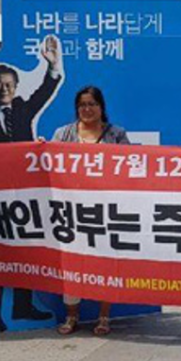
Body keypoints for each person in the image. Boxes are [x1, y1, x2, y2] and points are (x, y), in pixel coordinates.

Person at [0, 34, 63, 332]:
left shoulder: (22, 108)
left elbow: (46, 90)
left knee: (25, 252)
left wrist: (53, 65)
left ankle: (23, 306)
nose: (4, 89)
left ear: (15, 87)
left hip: (23, 195)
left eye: (9, 84)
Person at [51, 86, 130, 337]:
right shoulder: (63, 134)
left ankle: (104, 316)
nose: (87, 109)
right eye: (82, 104)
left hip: (105, 210)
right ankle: (71, 316)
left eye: (92, 104)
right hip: (71, 210)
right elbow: (47, 164)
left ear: (101, 107)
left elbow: (132, 165)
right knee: (71, 263)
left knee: (104, 263)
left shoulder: (116, 134)